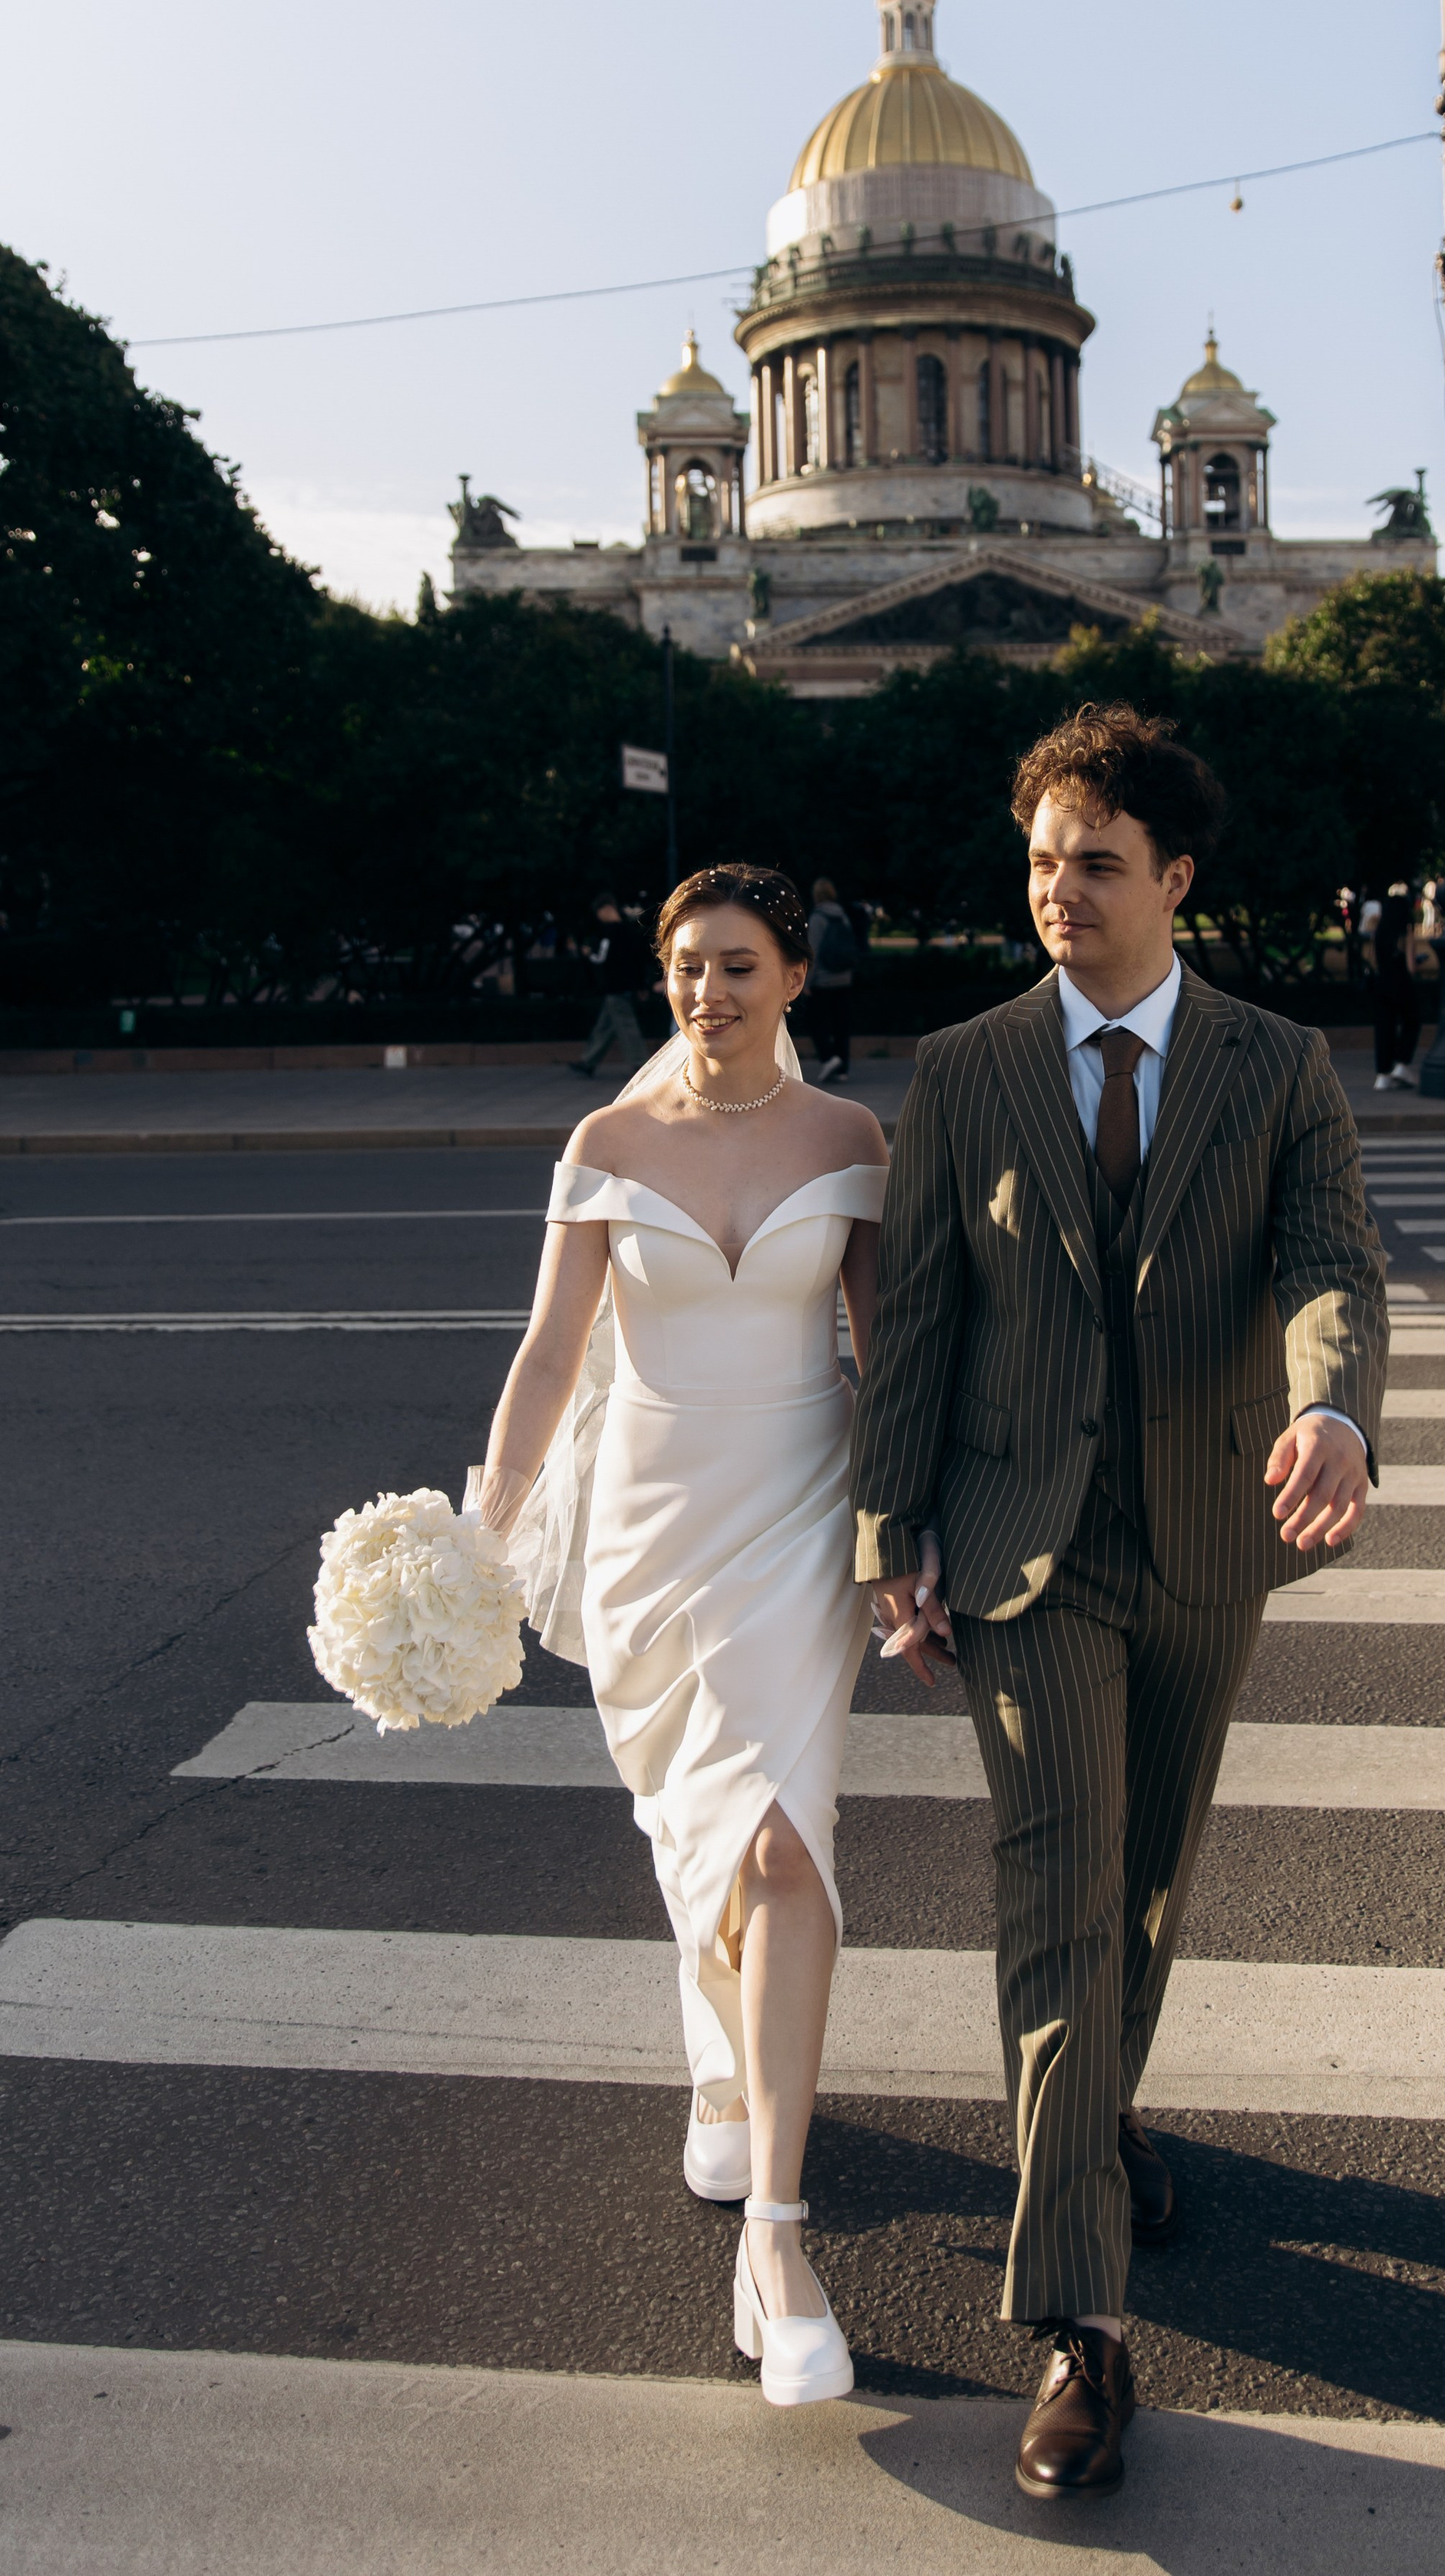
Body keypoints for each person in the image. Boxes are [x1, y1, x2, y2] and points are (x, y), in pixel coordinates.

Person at [849, 701, 1387, 2502]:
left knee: (1149, 1875)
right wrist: (887, 1536)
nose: (1057, 889)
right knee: (1057, 1899)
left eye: (1093, 859)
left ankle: (1097, 2117)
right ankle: (1079, 2321)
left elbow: (1325, 1258)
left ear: (1171, 876)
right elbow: (916, 1314)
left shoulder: (1275, 1061)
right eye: (1037, 861)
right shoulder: (972, 1061)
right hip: (1025, 1545)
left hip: (1204, 1535)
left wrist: (1329, 1405)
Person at [480, 864, 888, 2409]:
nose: (708, 990)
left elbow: (884, 1343)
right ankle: (723, 2065)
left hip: (794, 1510)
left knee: (784, 1838)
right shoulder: (606, 1144)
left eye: (738, 964)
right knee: (693, 1831)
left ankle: (774, 2235)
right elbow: (546, 1356)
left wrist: (902, 1533)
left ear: (793, 978)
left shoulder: (847, 1142)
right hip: (651, 1526)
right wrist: (486, 1519)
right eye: (686, 966)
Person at [568, 896, 654, 1079]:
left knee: (625, 1026)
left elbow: (601, 958)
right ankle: (588, 1061)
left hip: (614, 986)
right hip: (624, 985)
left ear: (606, 909)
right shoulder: (630, 930)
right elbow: (638, 960)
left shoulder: (610, 933)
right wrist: (641, 984)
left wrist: (588, 953)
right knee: (606, 1026)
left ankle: (640, 1064)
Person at [805, 877, 858, 1084]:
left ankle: (828, 1057)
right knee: (841, 1025)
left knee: (816, 1022)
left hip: (823, 981)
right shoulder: (843, 916)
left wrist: (807, 983)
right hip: (844, 978)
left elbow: (813, 952)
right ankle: (842, 1068)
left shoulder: (818, 918)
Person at [1370, 880, 1421, 1091]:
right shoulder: (1406, 932)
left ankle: (1382, 1075)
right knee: (1413, 1020)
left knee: (1384, 1028)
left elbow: (1373, 960)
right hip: (1402, 982)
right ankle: (1402, 1063)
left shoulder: (1379, 932)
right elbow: (1411, 966)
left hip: (1382, 983)